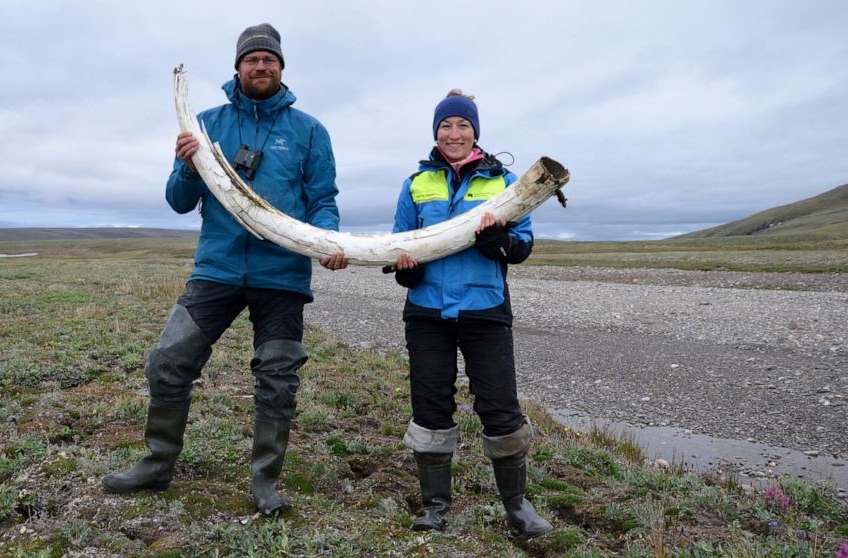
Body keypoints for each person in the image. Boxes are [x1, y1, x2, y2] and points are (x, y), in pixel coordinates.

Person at [103, 23, 348, 516]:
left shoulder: (310, 130)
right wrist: (188, 166)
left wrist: (329, 241)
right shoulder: (206, 122)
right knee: (168, 361)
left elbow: (323, 200)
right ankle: (157, 462)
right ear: (237, 67)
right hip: (216, 270)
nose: (261, 67)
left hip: (282, 275)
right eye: (252, 60)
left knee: (278, 377)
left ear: (281, 68)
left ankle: (265, 482)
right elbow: (177, 202)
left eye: (270, 60)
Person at [389, 89, 553, 537]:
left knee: (500, 409)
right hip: (426, 312)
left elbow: (521, 247)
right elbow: (399, 243)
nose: (453, 132)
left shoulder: (507, 183)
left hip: (485, 311)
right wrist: (406, 270)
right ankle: (435, 508)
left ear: (476, 132)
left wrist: (495, 240)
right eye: (445, 125)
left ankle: (517, 508)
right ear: (435, 132)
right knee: (430, 407)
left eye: (462, 125)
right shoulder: (415, 183)